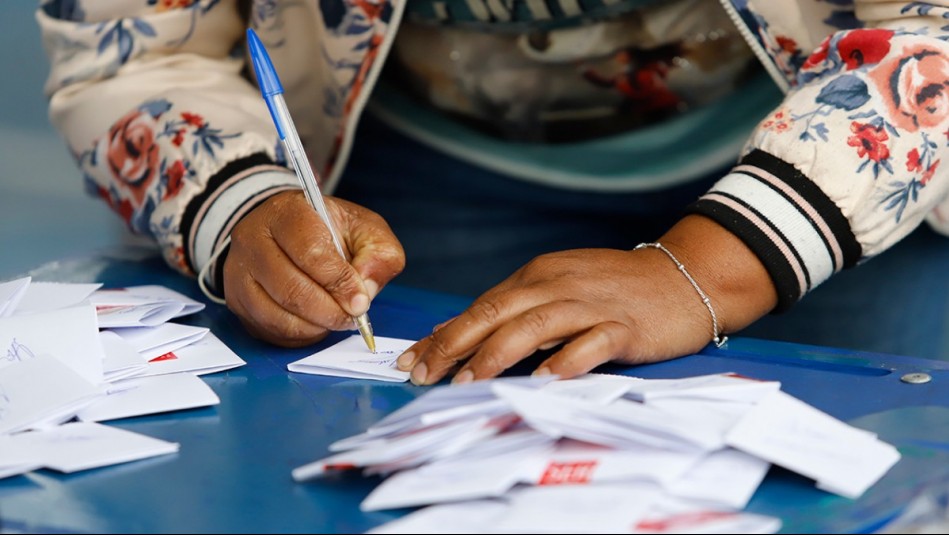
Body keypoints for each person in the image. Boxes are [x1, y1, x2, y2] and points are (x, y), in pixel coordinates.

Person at [37, 0, 949, 386]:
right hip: (412, 177)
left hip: (834, 169)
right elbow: (138, 52)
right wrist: (237, 201)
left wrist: (708, 270)